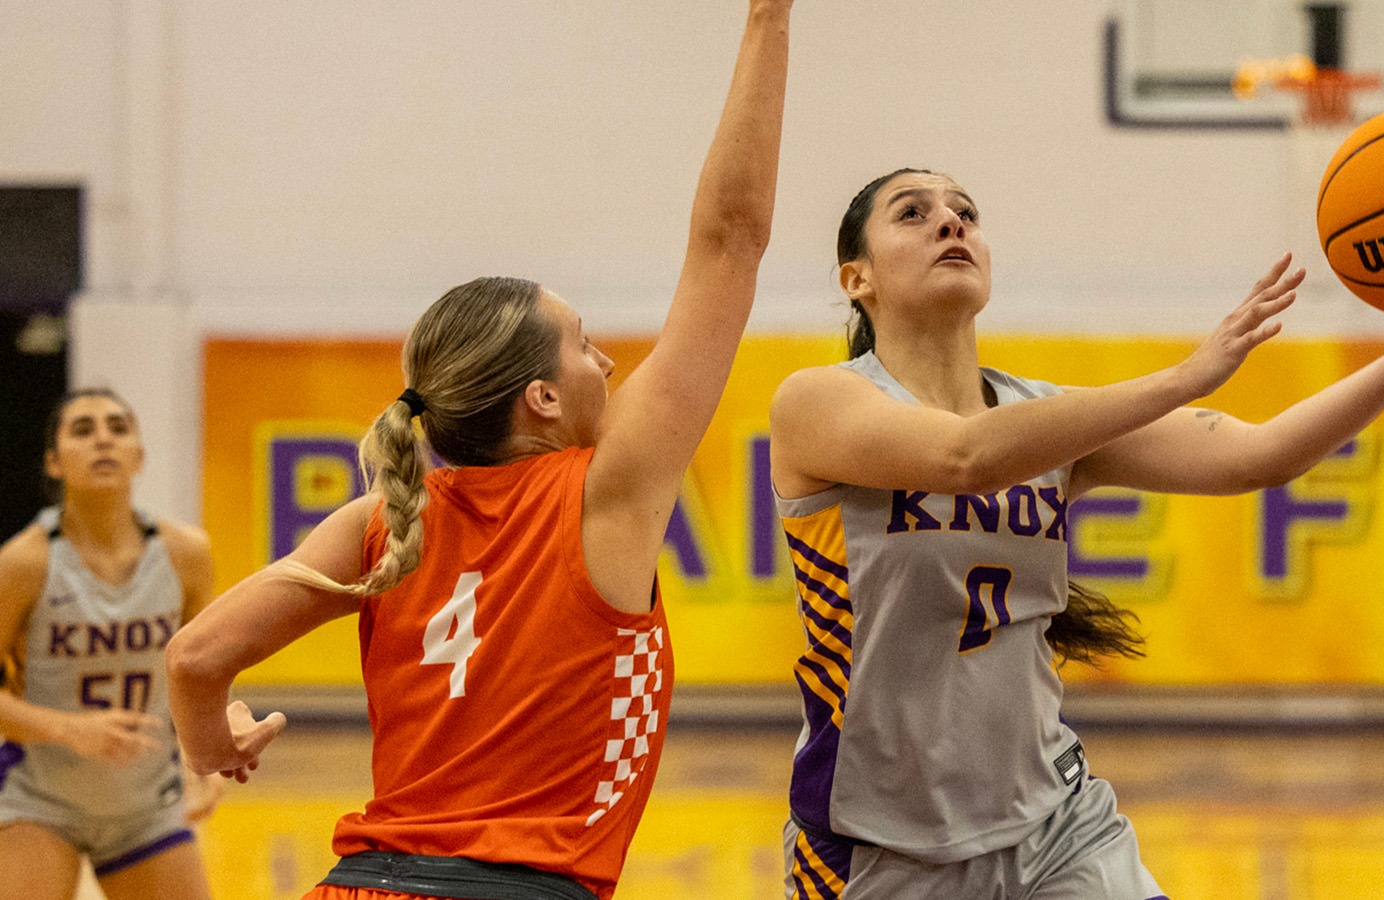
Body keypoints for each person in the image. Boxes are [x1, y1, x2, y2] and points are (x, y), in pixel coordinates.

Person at [163, 3, 794, 899]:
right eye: (584, 344)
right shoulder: (604, 493)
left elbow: (194, 658)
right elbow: (731, 237)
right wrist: (769, 18)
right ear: (541, 398)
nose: (609, 360)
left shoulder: (379, 521)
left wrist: (209, 749)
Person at [768, 167, 1384, 899]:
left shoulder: (1047, 414)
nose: (951, 221)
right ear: (856, 279)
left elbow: (1260, 455)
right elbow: (963, 458)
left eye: (964, 210)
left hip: (1056, 823)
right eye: (913, 212)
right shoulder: (819, 402)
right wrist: (1184, 377)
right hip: (882, 842)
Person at [0, 388, 222, 900]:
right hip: (39, 800)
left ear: (137, 455)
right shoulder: (24, 562)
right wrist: (68, 729)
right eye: (82, 429)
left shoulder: (186, 553)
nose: (103, 437)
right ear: (54, 463)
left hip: (146, 806)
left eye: (118, 427)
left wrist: (204, 757)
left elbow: (204, 672)